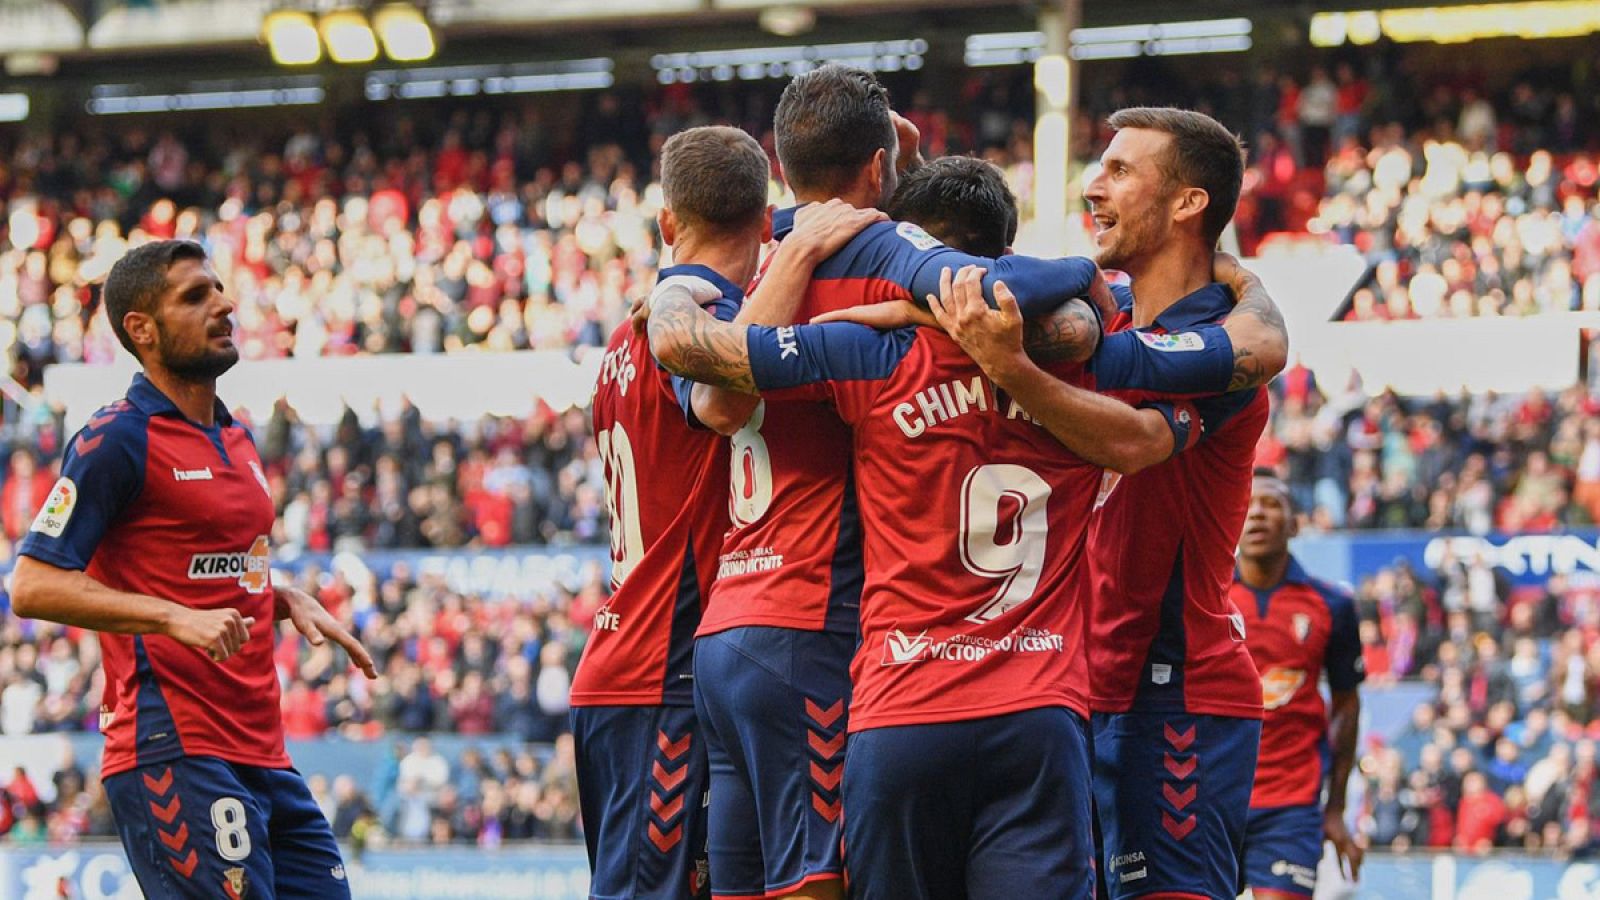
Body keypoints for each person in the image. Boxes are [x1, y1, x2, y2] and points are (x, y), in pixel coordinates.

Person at [646, 157, 1257, 899]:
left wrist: (700, 277)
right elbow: (1233, 359)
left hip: (898, 709)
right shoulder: (1081, 361)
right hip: (1038, 711)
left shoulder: (866, 353)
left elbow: (704, 364)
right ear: (1003, 255)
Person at [679, 66, 1117, 900]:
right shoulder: (929, 285)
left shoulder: (744, 280)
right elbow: (997, 282)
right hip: (850, 635)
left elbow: (715, 393)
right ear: (878, 174)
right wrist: (1089, 289)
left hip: (748, 639)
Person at [927, 107, 1288, 900]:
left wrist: (1015, 370)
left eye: (1122, 170)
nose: (1095, 185)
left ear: (1189, 203)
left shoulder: (1224, 344)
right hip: (1085, 692)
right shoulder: (1104, 306)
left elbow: (1132, 442)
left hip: (1178, 695)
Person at [10, 239, 375, 900]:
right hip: (174, 751)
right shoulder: (115, 438)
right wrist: (175, 618)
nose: (225, 305)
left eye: (218, 289)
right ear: (141, 330)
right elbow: (31, 583)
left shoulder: (235, 435)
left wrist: (281, 594)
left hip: (265, 754)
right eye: (195, 296)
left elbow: (208, 559)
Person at [568, 125, 878, 900]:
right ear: (764, 211)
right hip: (664, 667)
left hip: (631, 661)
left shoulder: (619, 336)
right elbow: (722, 395)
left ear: (668, 223)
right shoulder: (694, 320)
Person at [1231, 472, 1364, 899]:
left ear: (1294, 524)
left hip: (1290, 805)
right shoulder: (1202, 598)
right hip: (1208, 799)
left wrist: (1337, 808)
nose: (1257, 514)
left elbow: (1346, 705)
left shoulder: (1333, 606)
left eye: (1271, 504)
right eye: (1248, 504)